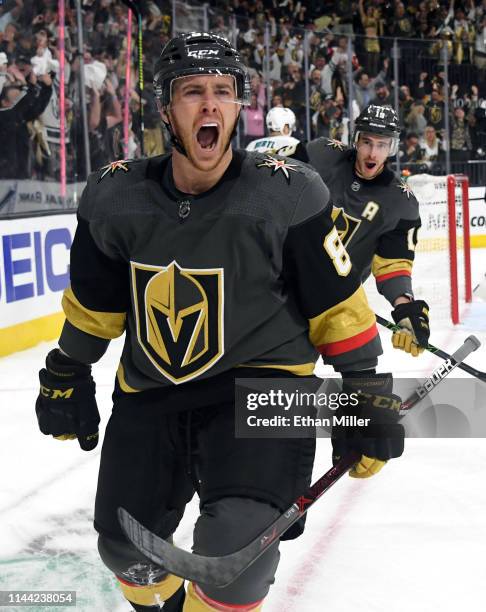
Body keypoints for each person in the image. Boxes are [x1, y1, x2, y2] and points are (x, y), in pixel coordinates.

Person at [35, 34, 404, 612]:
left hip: (267, 388)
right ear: (165, 108)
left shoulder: (288, 192)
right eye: (193, 92)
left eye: (224, 92)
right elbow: (96, 304)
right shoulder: (116, 194)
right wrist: (66, 369)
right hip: (152, 390)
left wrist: (367, 395)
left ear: (239, 107)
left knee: (239, 559)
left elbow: (337, 305)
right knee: (123, 550)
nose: (210, 104)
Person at [307, 104, 430, 358]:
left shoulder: (400, 203)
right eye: (367, 142)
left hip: (333, 303)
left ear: (392, 148)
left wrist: (406, 308)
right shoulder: (322, 155)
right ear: (356, 140)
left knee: (364, 357)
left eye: (382, 145)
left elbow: (392, 267)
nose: (372, 152)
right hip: (281, 281)